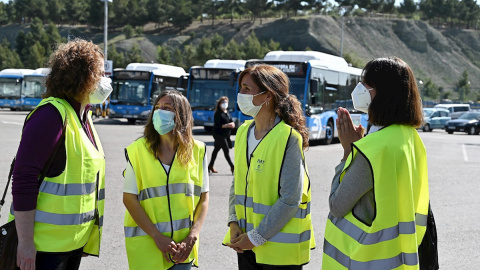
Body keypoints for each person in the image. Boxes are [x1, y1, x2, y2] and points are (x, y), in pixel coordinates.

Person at [10, 39, 110, 270]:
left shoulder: (83, 117)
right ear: (82, 77)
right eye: (101, 73)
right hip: (43, 248)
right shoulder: (50, 115)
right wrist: (25, 244)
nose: (105, 80)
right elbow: (24, 179)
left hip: (70, 244)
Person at [322, 57, 429, 269]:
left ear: (383, 93)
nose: (359, 89)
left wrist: (347, 153)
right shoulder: (410, 137)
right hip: (399, 258)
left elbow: (337, 205)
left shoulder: (374, 149)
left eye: (365, 84)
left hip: (364, 259)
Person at [223, 65, 315, 269]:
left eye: (247, 89)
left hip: (279, 252)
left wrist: (256, 237)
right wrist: (233, 222)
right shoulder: (243, 132)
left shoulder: (289, 137)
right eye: (241, 88)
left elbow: (291, 199)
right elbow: (237, 183)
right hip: (246, 246)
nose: (241, 94)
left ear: (268, 96)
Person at [123, 90, 209, 270]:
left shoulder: (198, 150)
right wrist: (157, 237)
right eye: (157, 107)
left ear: (181, 115)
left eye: (167, 108)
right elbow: (129, 198)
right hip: (148, 246)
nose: (159, 112)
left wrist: (192, 236)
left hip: (183, 248)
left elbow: (203, 198)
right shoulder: (137, 150)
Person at [208, 96, 235, 174]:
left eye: (226, 102)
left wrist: (232, 124)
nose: (224, 104)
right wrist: (227, 125)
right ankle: (232, 167)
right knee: (226, 150)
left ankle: (210, 165)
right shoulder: (218, 113)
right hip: (218, 134)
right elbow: (218, 125)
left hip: (225, 134)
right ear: (219, 104)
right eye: (223, 102)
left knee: (216, 150)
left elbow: (232, 121)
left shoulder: (227, 112)